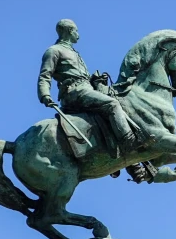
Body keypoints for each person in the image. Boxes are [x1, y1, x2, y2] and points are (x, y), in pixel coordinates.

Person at [37, 19, 148, 155]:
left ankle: (128, 162)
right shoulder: (54, 51)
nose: (78, 34)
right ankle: (129, 142)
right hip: (74, 92)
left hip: (86, 89)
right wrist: (45, 95)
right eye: (76, 31)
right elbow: (45, 75)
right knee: (112, 104)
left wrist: (95, 80)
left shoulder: (74, 52)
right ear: (70, 31)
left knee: (117, 103)